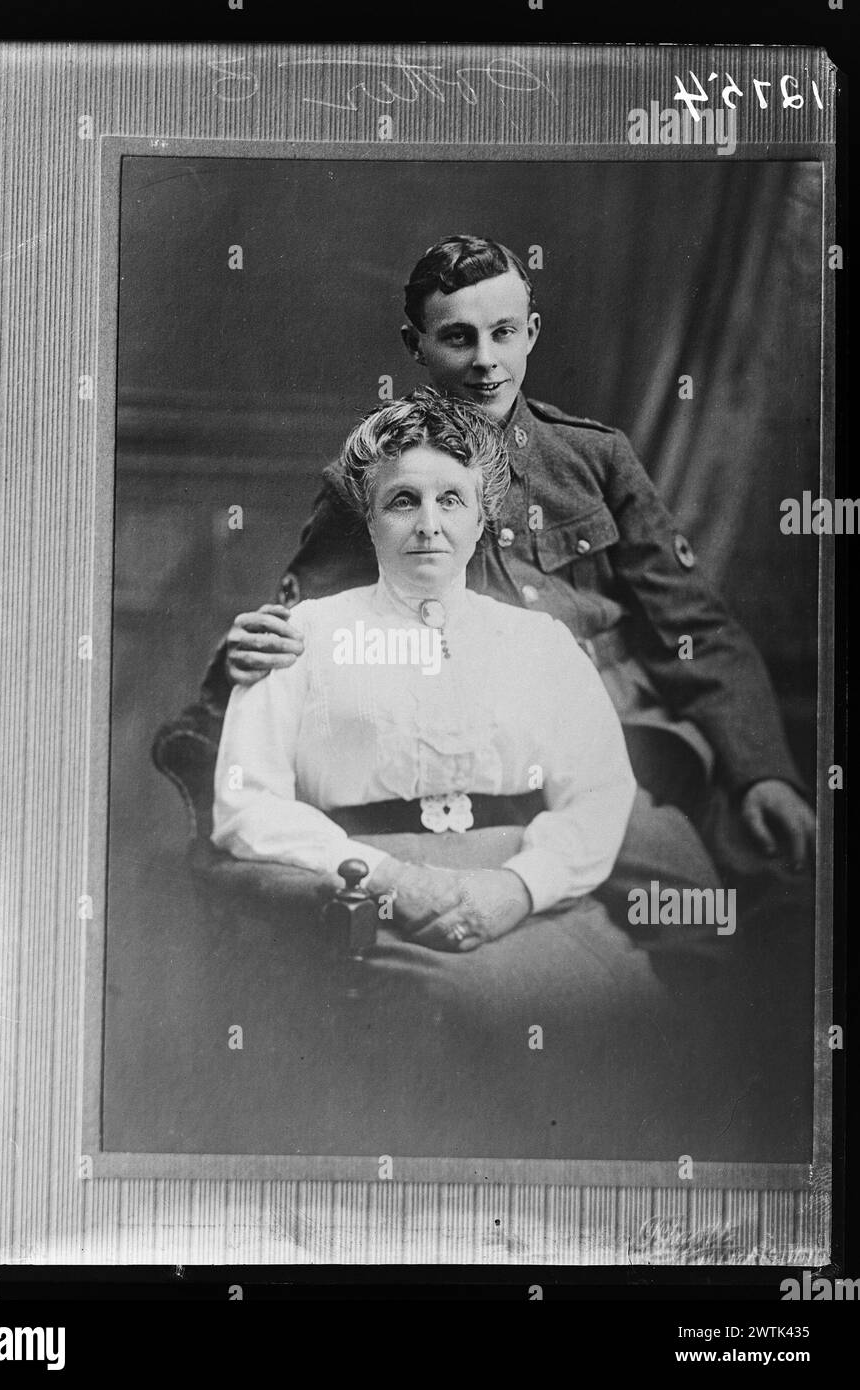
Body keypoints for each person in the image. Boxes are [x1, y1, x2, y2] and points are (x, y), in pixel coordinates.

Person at [190, 235, 815, 943]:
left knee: (698, 915)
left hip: (617, 742)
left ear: (531, 334)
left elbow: (692, 626)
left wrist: (763, 769)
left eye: (503, 334)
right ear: (416, 344)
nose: (485, 361)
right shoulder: (375, 475)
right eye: (458, 338)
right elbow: (298, 622)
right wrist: (237, 655)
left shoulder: (592, 457)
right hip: (461, 751)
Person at [208, 389, 776, 1159]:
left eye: (453, 499)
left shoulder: (538, 641)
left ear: (484, 517)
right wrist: (392, 879)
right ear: (368, 518)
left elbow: (599, 790)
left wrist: (518, 888)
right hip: (380, 900)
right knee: (461, 1030)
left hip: (530, 894)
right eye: (402, 501)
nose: (429, 524)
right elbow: (249, 808)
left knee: (641, 1016)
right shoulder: (300, 637)